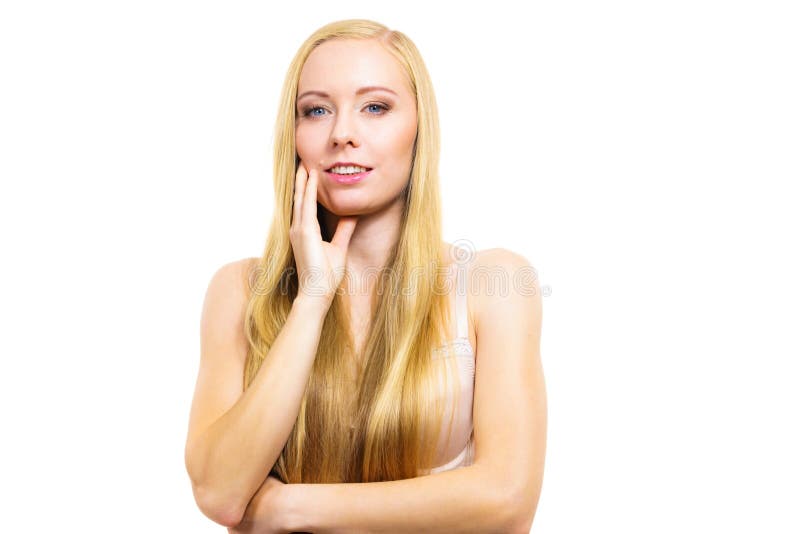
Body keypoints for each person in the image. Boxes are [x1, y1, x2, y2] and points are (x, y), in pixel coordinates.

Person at [184, 18, 547, 533]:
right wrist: (312, 296)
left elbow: (507, 502)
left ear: (420, 127)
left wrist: (288, 508)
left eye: (375, 107)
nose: (342, 134)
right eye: (316, 110)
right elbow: (219, 492)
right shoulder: (240, 291)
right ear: (295, 135)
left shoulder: (493, 284)